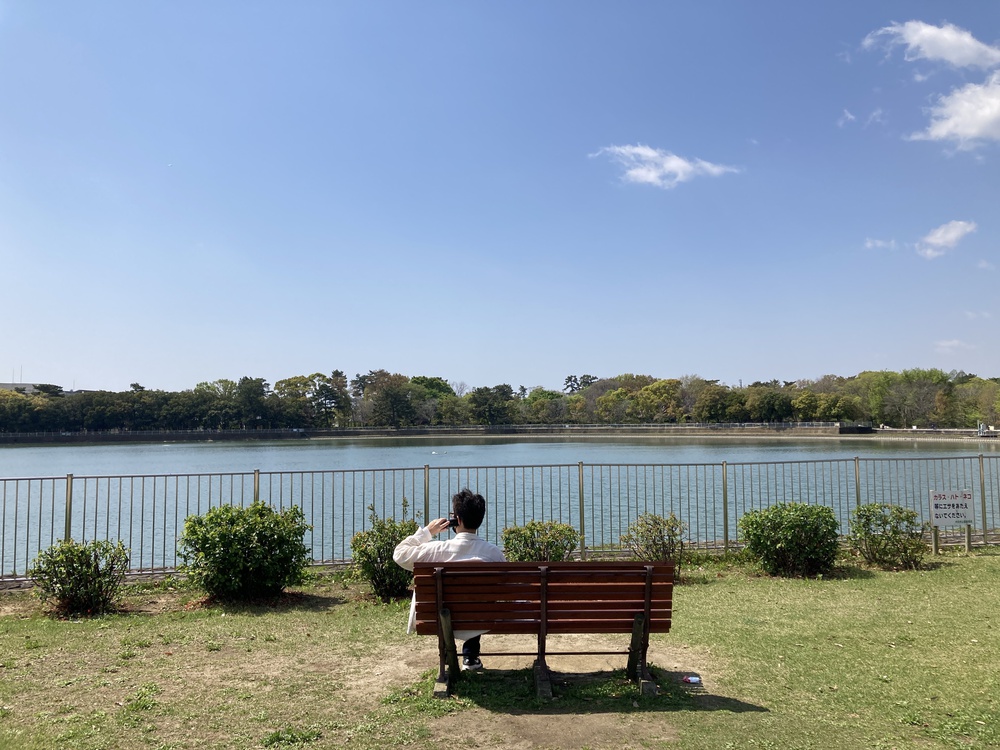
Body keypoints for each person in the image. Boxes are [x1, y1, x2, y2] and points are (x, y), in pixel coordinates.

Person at [393, 488, 506, 671]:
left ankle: (446, 654)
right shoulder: (493, 553)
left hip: (440, 619)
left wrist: (427, 532)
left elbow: (399, 554)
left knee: (448, 602)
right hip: (479, 619)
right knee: (476, 598)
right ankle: (470, 657)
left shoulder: (435, 550)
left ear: (457, 520)